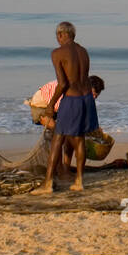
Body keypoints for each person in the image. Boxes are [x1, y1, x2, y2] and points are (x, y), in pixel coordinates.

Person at [37, 21, 96, 193]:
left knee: (58, 139)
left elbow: (62, 84)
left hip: (72, 99)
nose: (57, 39)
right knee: (79, 140)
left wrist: (50, 105)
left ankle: (47, 184)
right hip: (87, 99)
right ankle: (79, 181)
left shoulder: (57, 53)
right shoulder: (83, 51)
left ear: (61, 35)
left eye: (58, 36)